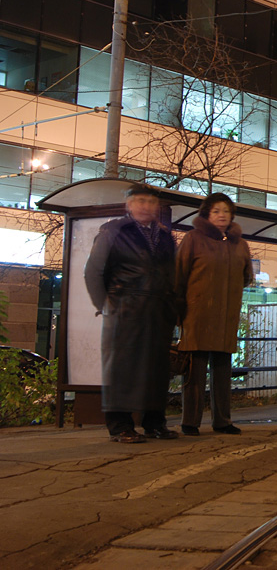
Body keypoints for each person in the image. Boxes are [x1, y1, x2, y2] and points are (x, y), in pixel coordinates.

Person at [84, 183, 178, 443]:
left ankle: (155, 422)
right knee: (122, 369)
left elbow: (173, 275)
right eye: (140, 201)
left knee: (156, 369)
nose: (145, 206)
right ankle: (120, 426)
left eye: (150, 202)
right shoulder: (114, 230)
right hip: (125, 309)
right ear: (129, 204)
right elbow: (93, 270)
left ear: (157, 206)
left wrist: (173, 308)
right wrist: (105, 305)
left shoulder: (165, 236)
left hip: (158, 311)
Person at [175, 193, 253, 436]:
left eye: (226, 211)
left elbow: (247, 276)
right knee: (194, 371)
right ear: (207, 214)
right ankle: (190, 421)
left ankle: (222, 420)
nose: (221, 215)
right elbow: (179, 274)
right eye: (216, 211)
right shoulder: (193, 239)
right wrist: (179, 310)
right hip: (197, 314)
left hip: (226, 316)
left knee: (222, 370)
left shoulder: (239, 244)